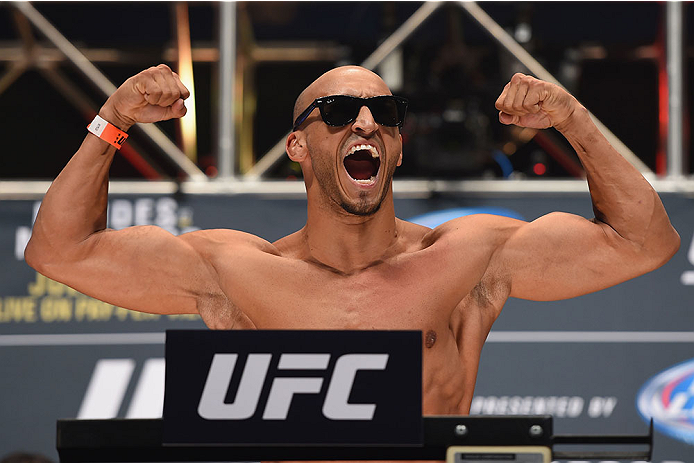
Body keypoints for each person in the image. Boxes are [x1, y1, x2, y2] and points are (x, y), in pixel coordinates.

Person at [25, 64, 679, 417]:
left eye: (383, 114)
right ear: (297, 148)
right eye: (338, 112)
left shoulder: (468, 256)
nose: (365, 120)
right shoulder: (232, 269)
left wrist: (573, 117)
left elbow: (644, 242)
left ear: (395, 145)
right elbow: (59, 251)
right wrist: (111, 121)